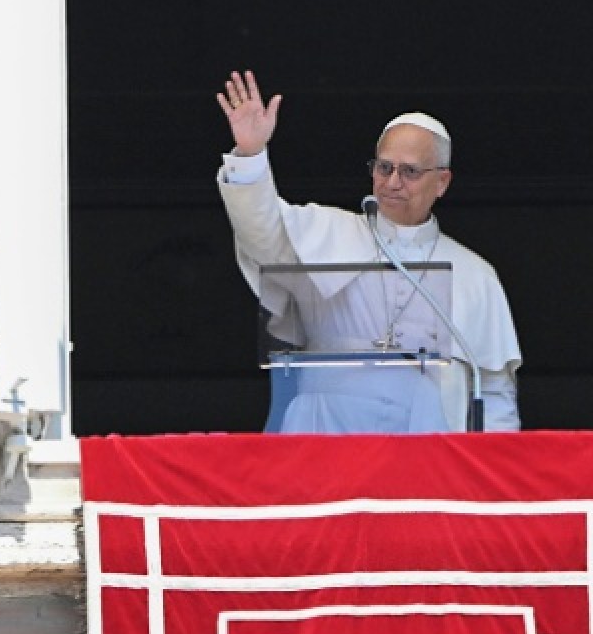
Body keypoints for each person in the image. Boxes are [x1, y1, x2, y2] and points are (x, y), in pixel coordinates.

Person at [216, 69, 522, 433]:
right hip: (325, 430)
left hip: (424, 439)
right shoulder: (328, 231)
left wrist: (487, 477)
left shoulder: (475, 274)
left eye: (409, 171)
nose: (392, 182)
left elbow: (494, 392)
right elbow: (262, 234)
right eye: (384, 167)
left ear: (442, 181)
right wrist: (251, 155)